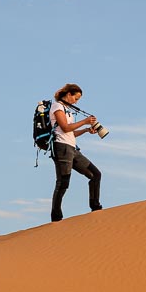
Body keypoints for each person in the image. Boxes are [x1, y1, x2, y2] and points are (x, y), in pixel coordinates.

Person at [49, 83, 103, 222]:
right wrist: (85, 121)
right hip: (62, 148)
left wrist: (86, 130)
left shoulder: (68, 110)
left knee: (95, 174)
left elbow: (71, 132)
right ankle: (56, 218)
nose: (76, 101)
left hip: (72, 148)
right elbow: (65, 128)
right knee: (63, 182)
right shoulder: (57, 106)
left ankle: (95, 207)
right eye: (76, 98)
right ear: (68, 95)